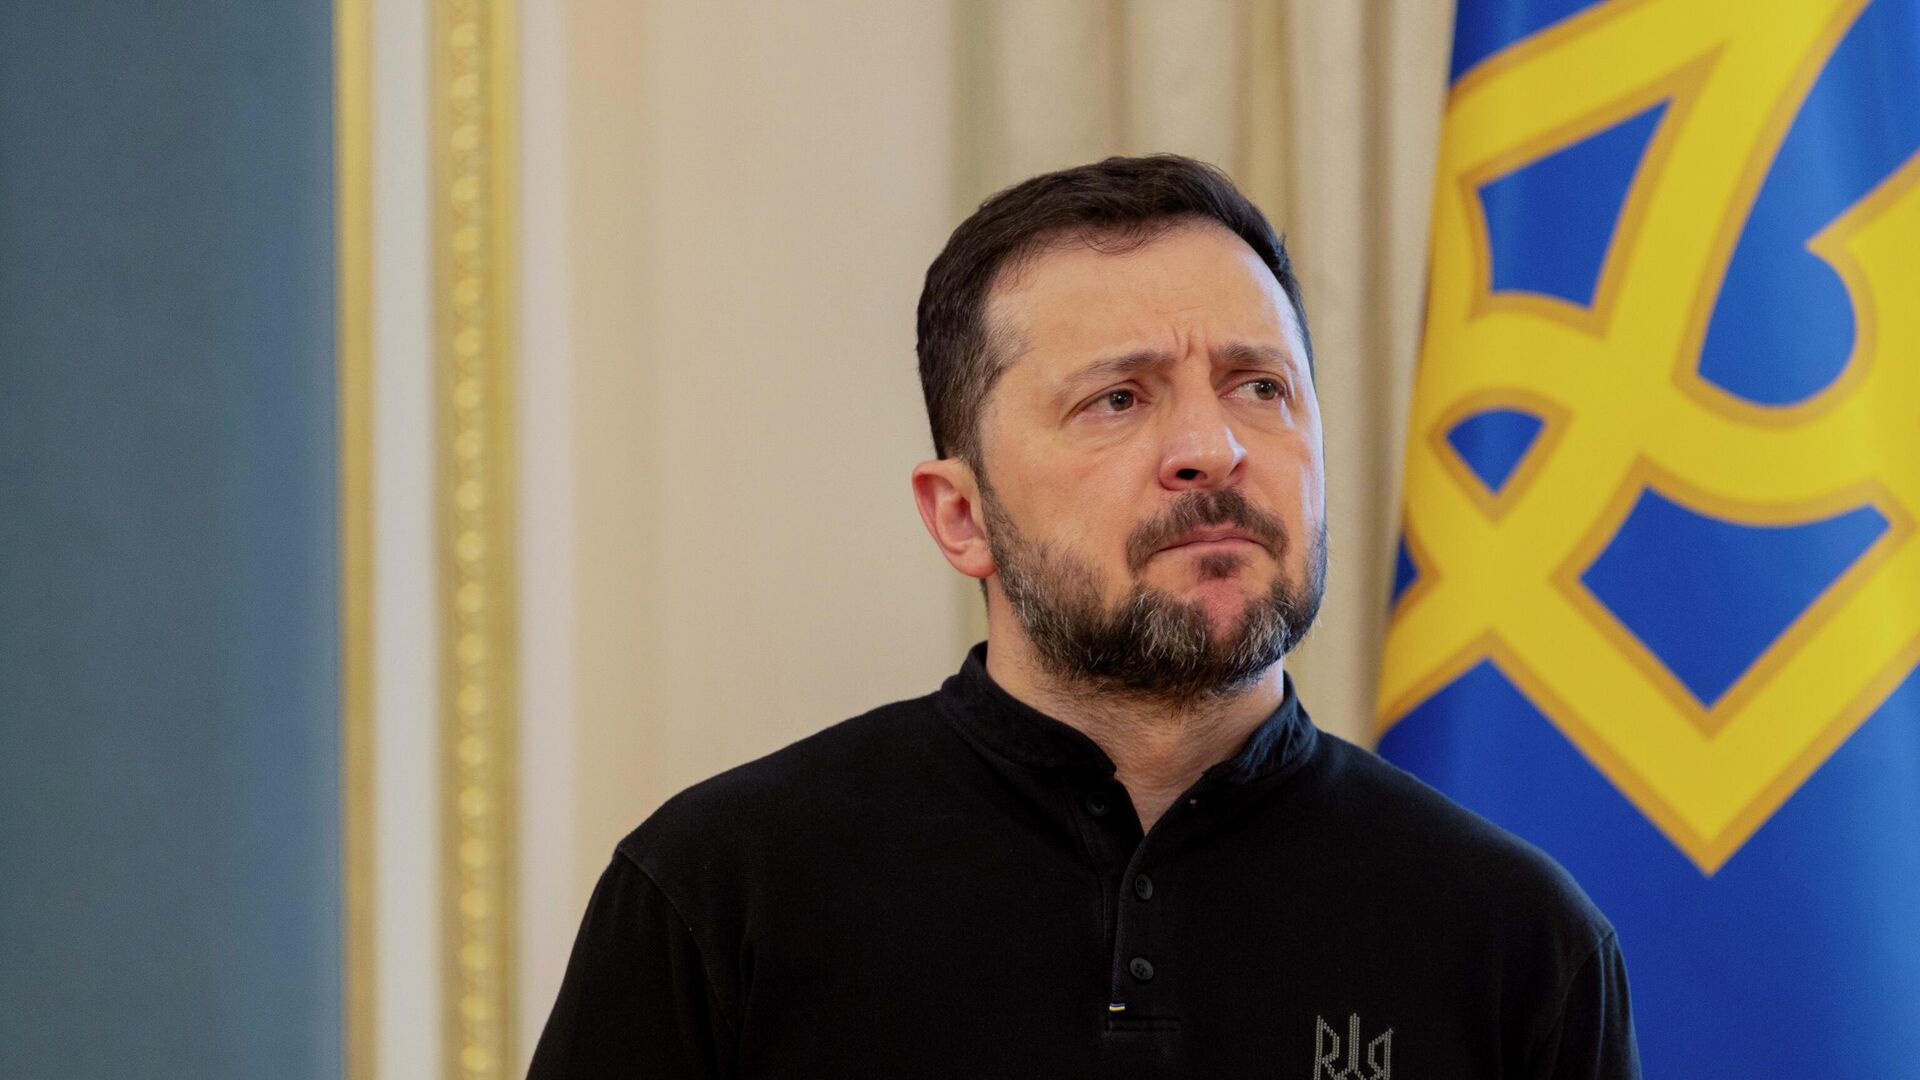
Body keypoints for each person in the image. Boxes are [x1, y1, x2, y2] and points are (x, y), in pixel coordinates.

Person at [528, 154, 1640, 1078]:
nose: (1214, 447)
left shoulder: (1517, 940)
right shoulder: (719, 896)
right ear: (962, 516)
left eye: (1260, 386)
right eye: (1119, 398)